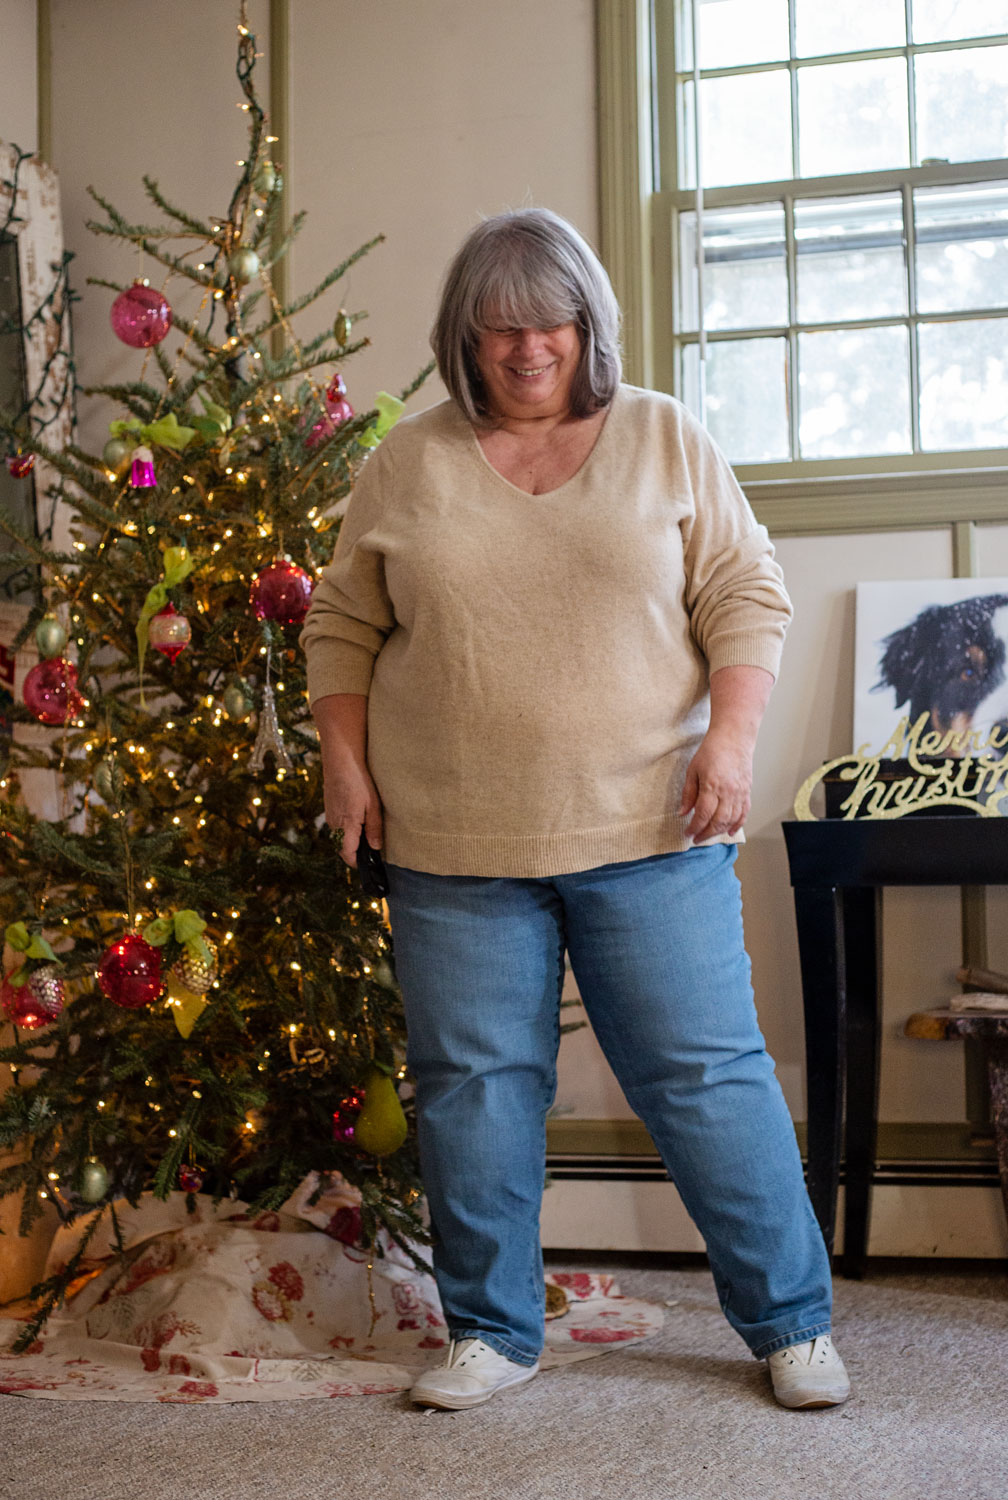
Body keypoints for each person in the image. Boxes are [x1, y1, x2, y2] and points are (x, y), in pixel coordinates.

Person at [300, 208, 849, 1413]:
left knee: (707, 1078)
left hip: (651, 828)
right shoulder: (409, 459)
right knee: (472, 1088)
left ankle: (790, 1325)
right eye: (496, 328)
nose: (525, 347)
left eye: (547, 320)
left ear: (585, 323)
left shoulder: (662, 436)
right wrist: (346, 762)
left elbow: (744, 595)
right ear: (464, 339)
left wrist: (733, 744)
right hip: (450, 838)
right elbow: (340, 619)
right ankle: (491, 1333)